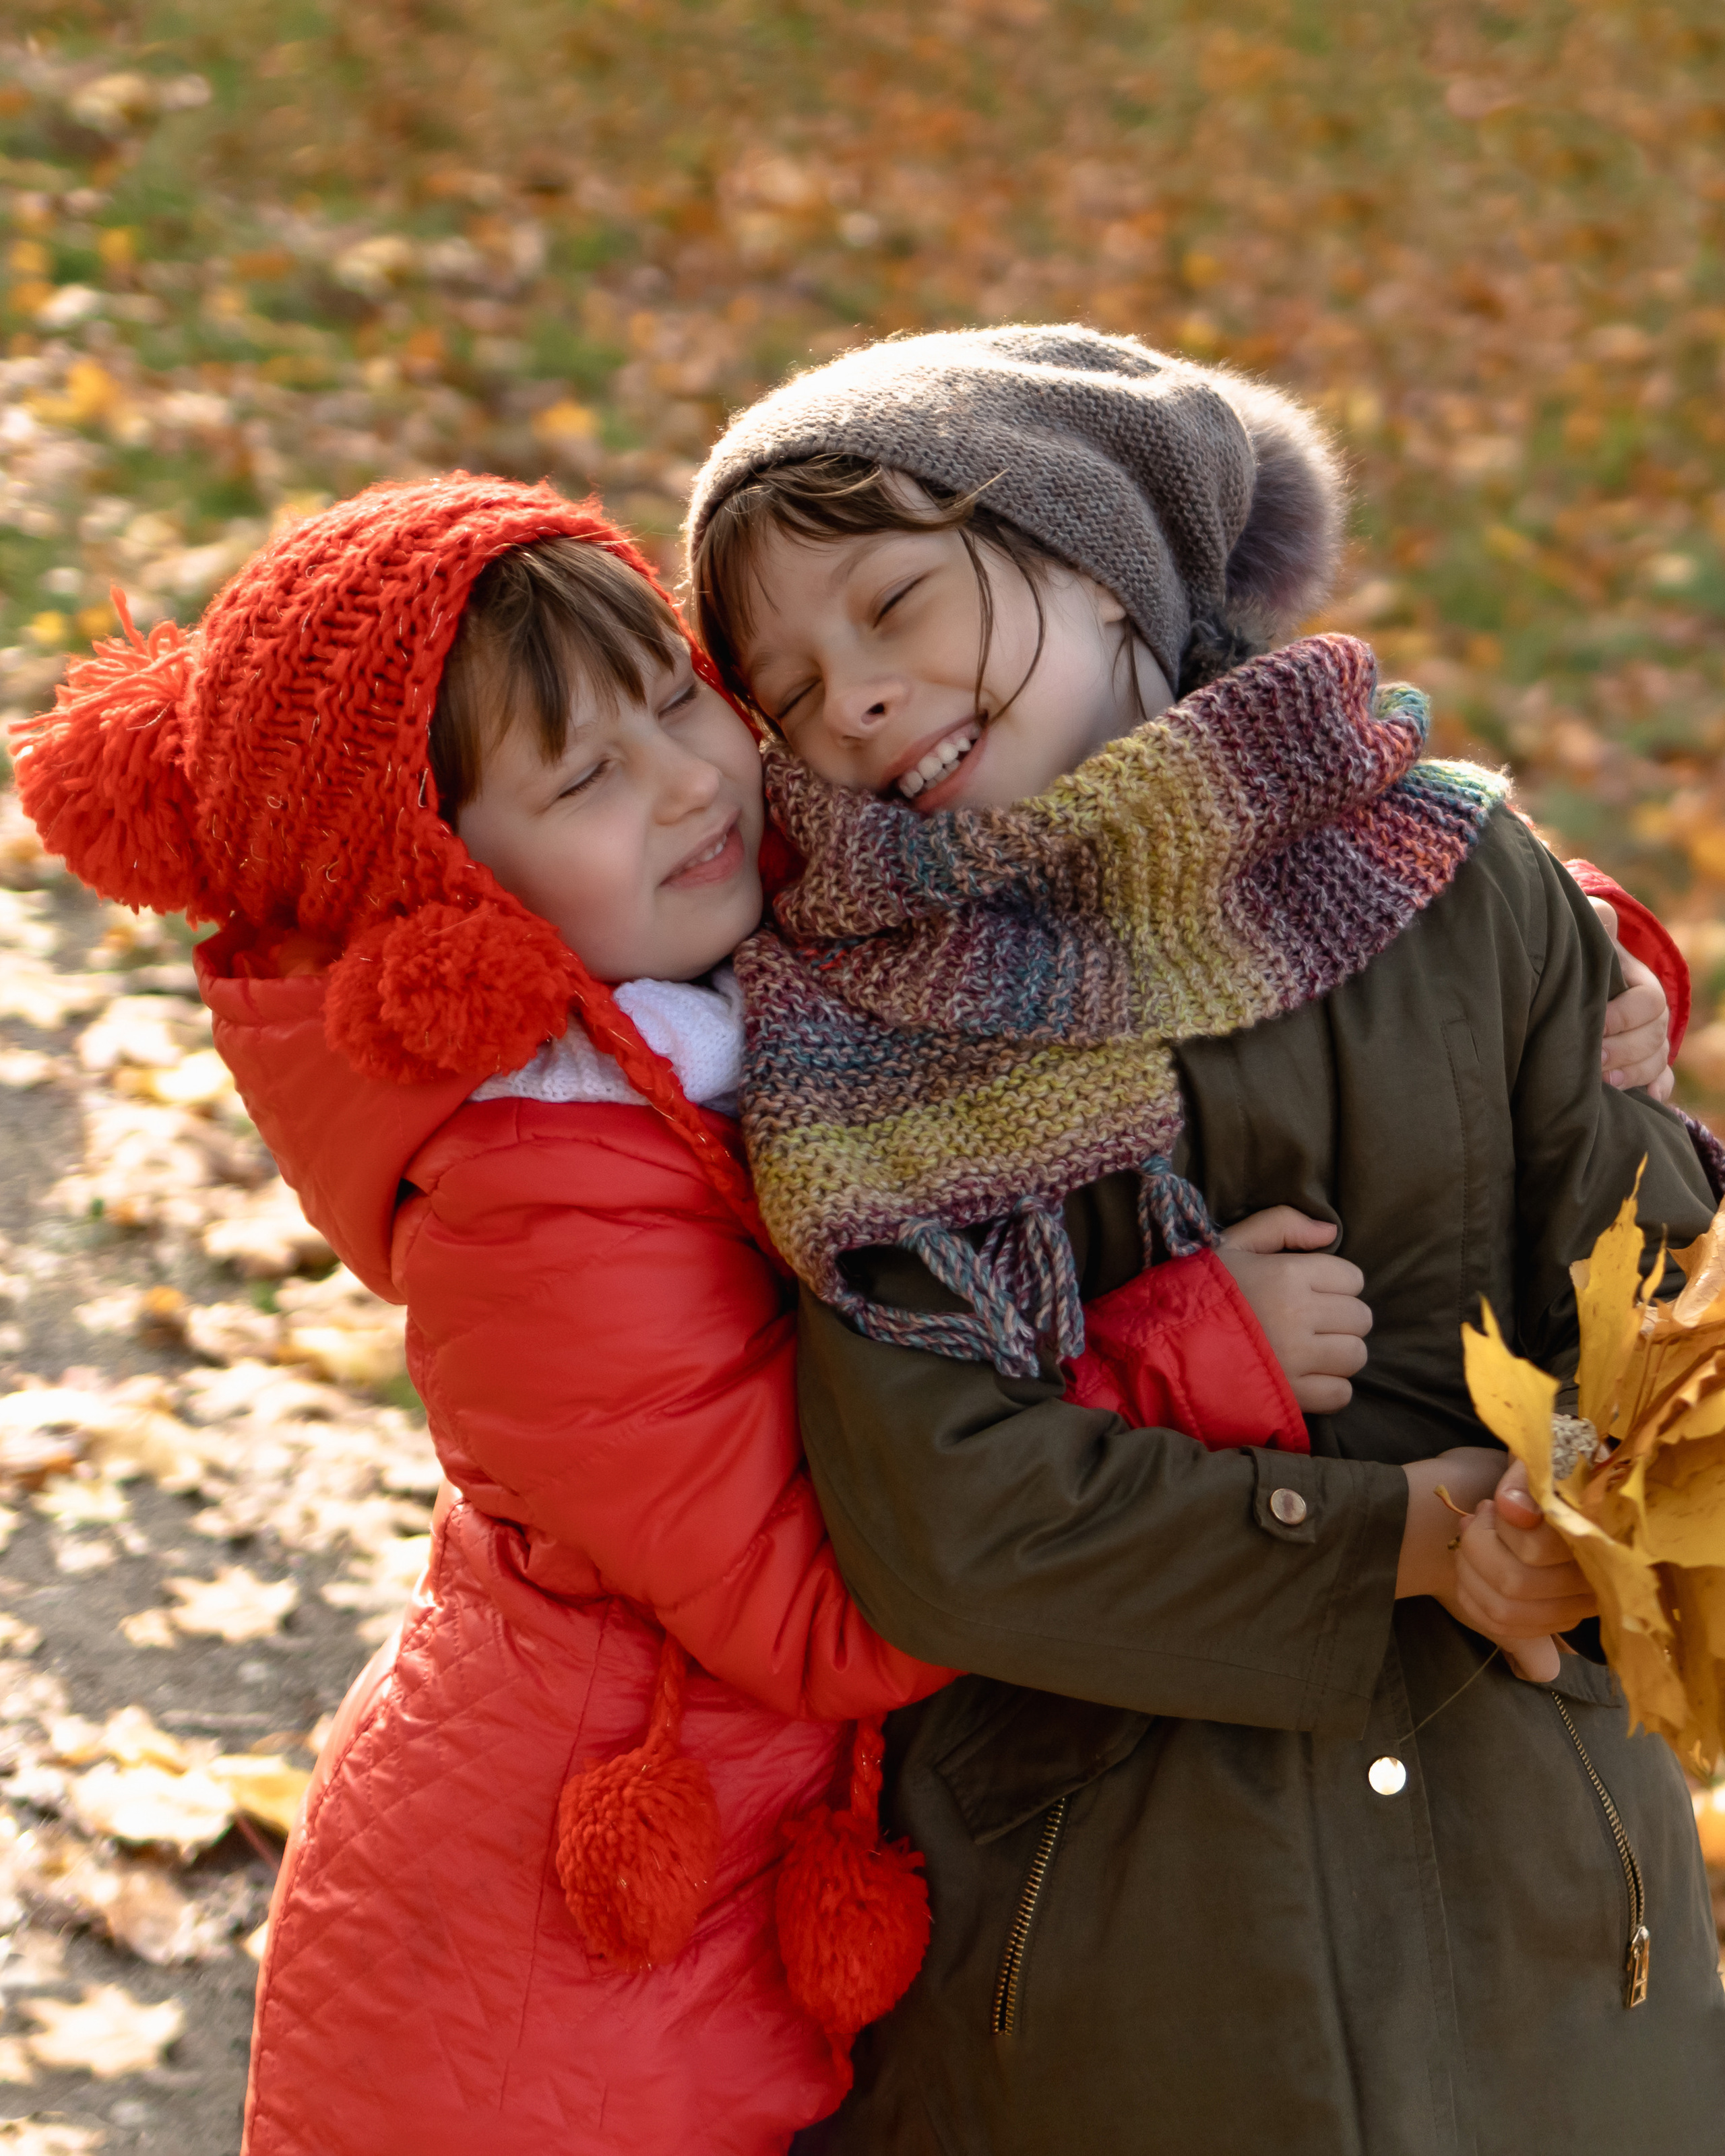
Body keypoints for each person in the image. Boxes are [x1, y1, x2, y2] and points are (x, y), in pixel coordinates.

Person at [13, 474, 1381, 2156]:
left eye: (675, 695)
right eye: (584, 774)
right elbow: (813, 1608)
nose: (683, 779)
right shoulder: (542, 1205)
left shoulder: (716, 981)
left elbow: (1149, 887)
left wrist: (1580, 956)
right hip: (547, 2006)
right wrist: (1179, 1362)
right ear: (446, 893)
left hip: (695, 1929)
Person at [685, 325, 1725, 2153]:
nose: (847, 697)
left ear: (1094, 556)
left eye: (898, 603)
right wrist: (1388, 1538)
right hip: (1125, 1954)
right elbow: (938, 1522)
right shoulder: (858, 1030)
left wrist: (1551, 1509)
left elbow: (1656, 1298)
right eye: (786, 687)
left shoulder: (1457, 876)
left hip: (1550, 1908)